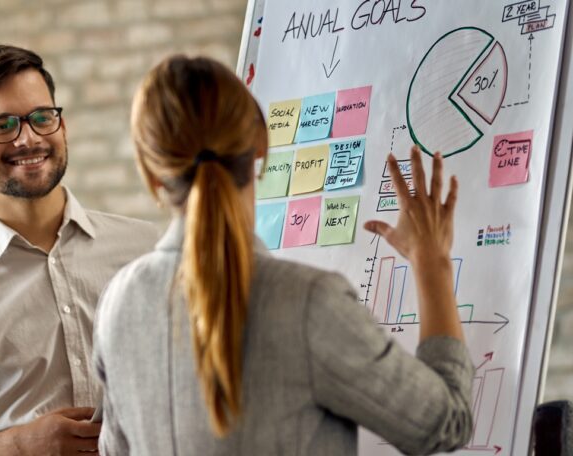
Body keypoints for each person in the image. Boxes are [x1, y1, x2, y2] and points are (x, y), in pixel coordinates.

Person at [92, 55, 474, 455]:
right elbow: (445, 423)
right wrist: (433, 263)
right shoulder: (308, 302)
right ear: (259, 147)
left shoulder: (117, 304)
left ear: (151, 174)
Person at [0, 44, 158, 456]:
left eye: (42, 118)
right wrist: (14, 446)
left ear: (63, 126)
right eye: (2, 126)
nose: (29, 138)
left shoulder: (149, 251)